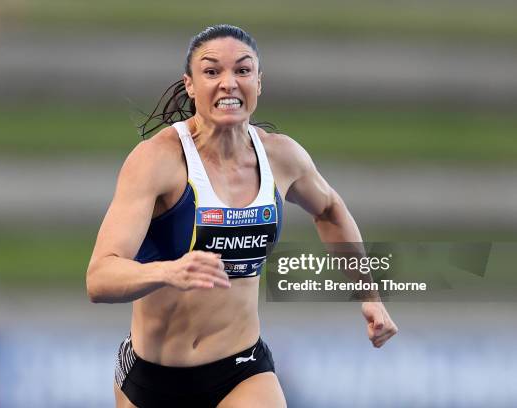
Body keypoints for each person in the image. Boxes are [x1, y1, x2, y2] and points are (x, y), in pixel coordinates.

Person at [87, 24, 398, 408]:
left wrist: (369, 293)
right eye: (212, 71)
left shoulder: (282, 157)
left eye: (243, 71)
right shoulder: (158, 161)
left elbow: (330, 209)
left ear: (259, 83)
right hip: (153, 379)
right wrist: (167, 272)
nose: (229, 83)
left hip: (241, 369)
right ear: (190, 84)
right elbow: (99, 278)